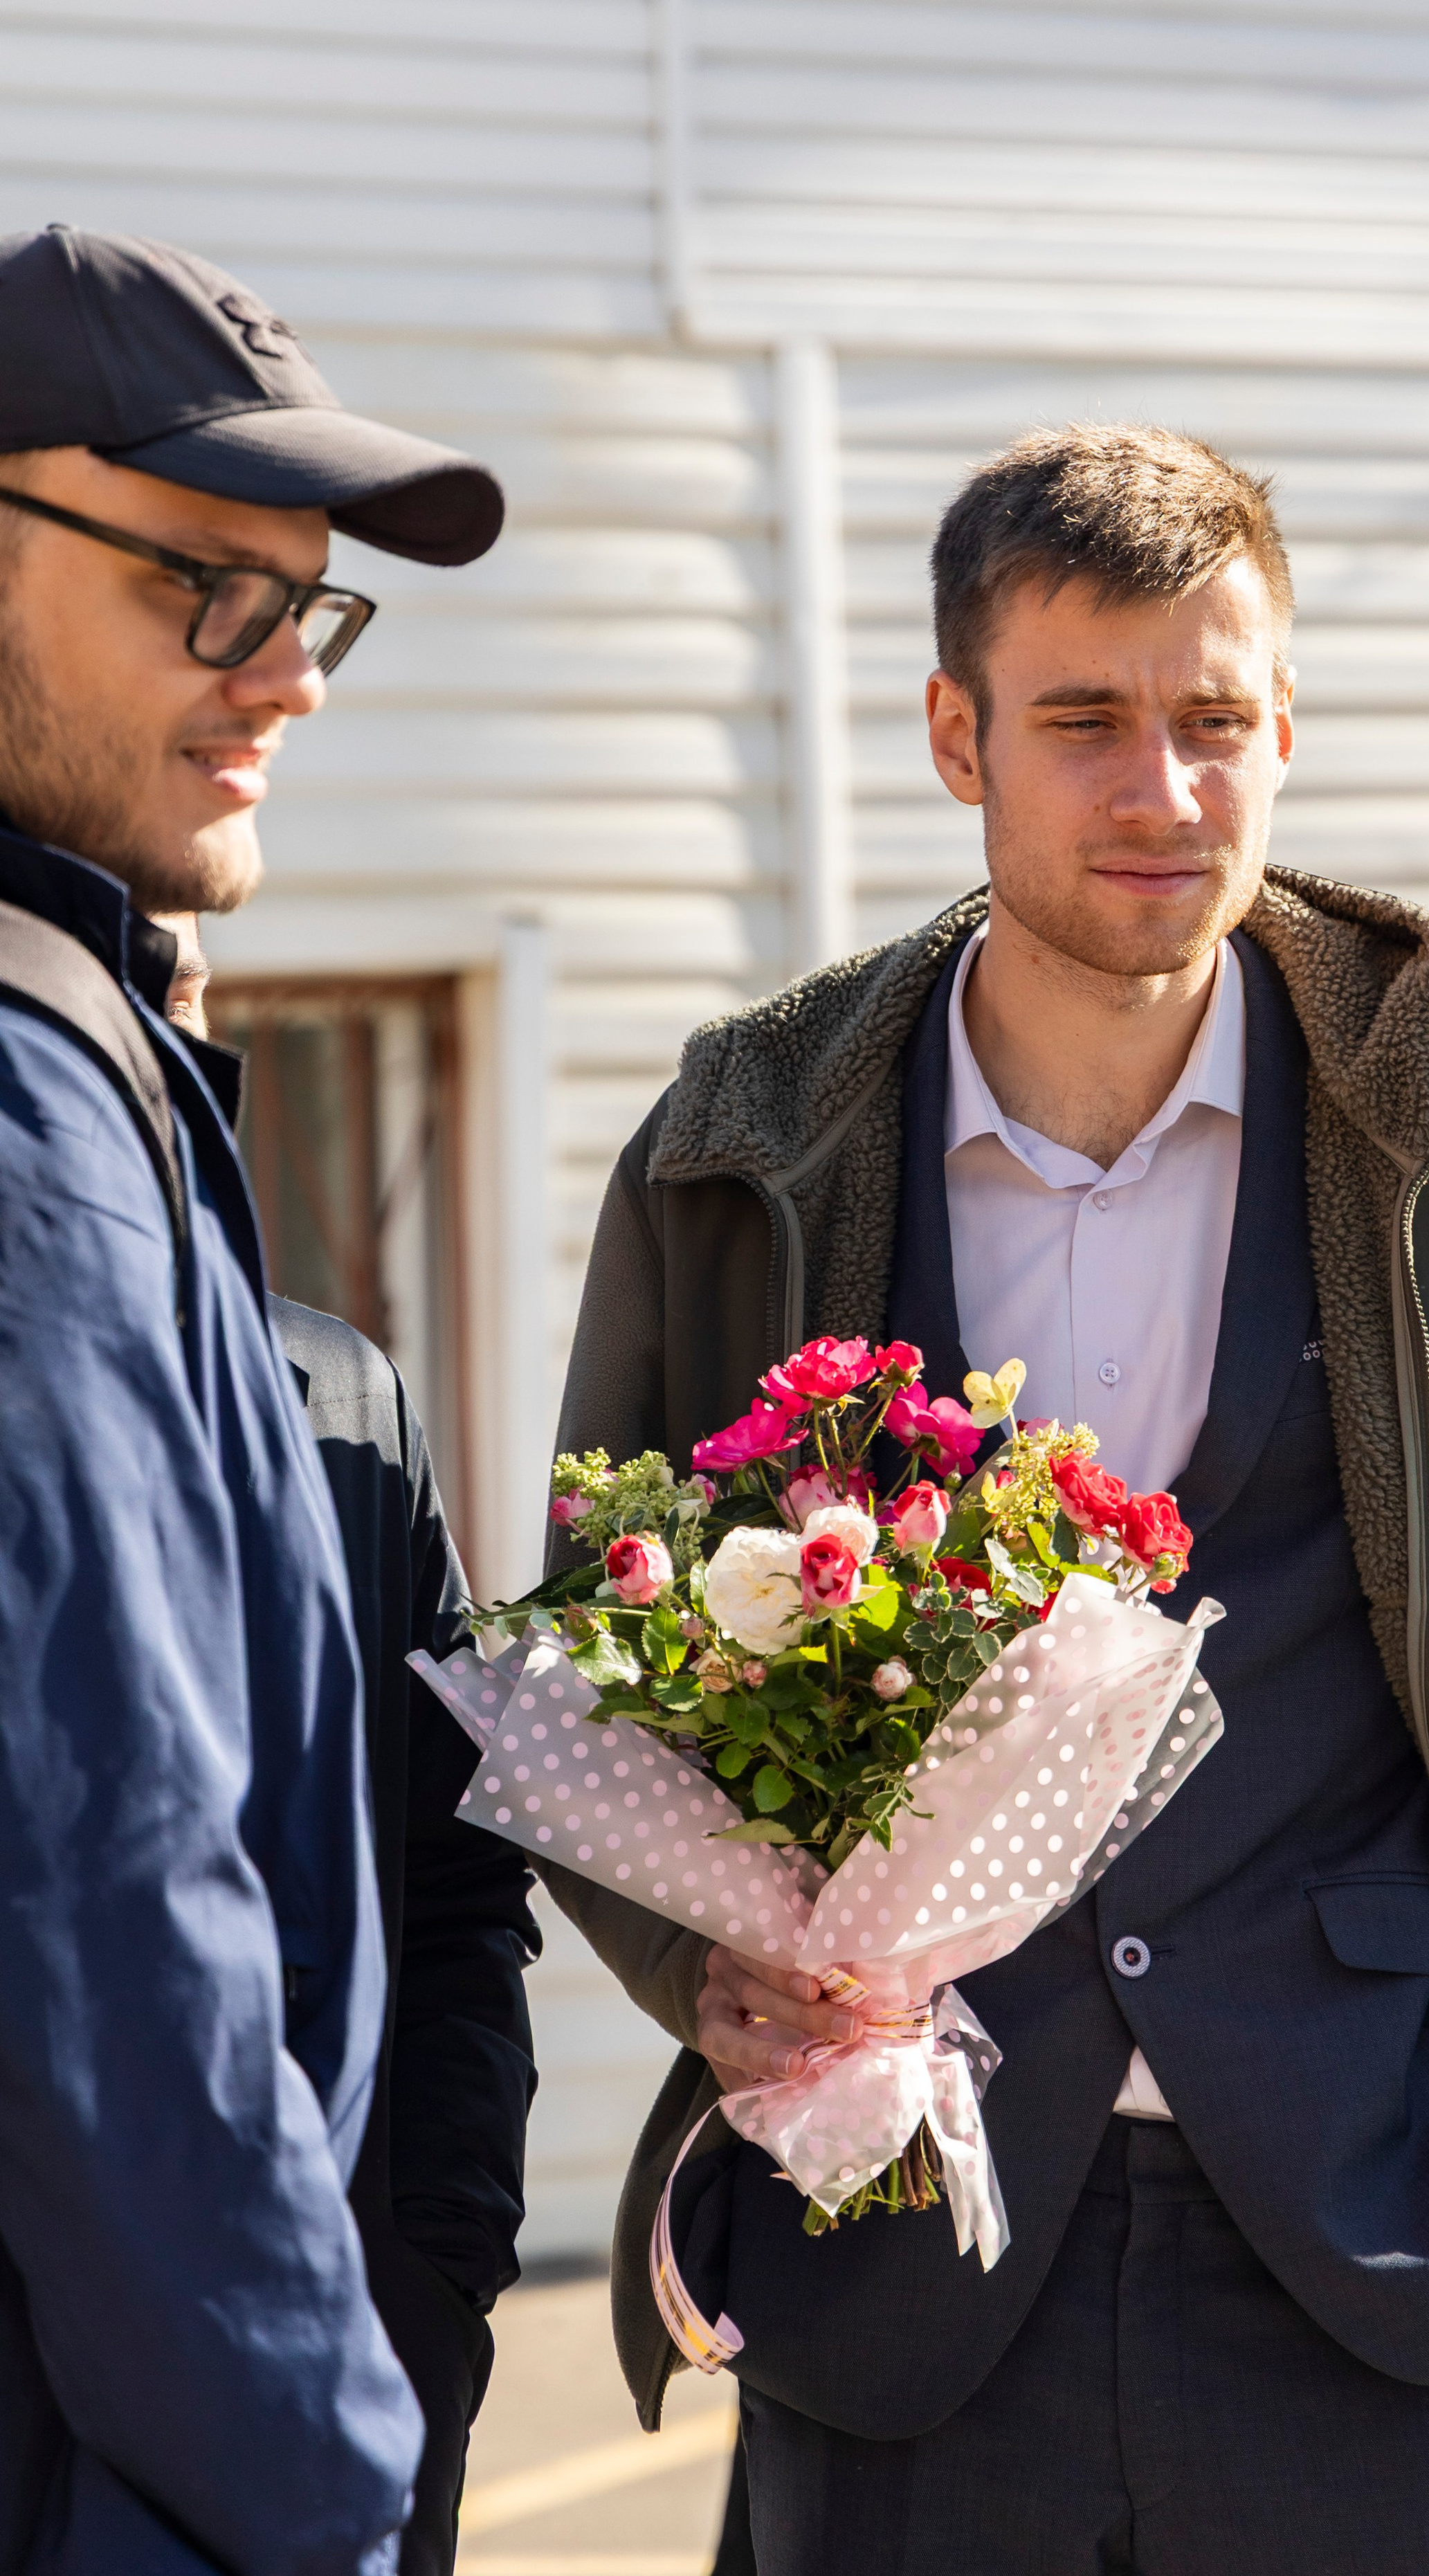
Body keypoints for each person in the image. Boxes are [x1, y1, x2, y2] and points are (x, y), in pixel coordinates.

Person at [538, 425, 1429, 2573]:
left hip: (1384, 2290)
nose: (1165, 789)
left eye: (1216, 719)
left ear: (1286, 723)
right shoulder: (743, 1142)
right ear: (956, 732)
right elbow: (593, 1652)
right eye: (1086, 721)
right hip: (891, 2285)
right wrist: (695, 1966)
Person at [0, 222, 502, 2572]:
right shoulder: (23, 1110)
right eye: (209, 586)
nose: (289, 674)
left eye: (311, 602)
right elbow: (110, 1920)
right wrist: (334, 2496)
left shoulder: (94, 1048)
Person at [158, 922, 540, 2575]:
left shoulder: (342, 1397)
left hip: (356, 2366)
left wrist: (439, 2281)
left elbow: (460, 1889)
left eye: (172, 985)